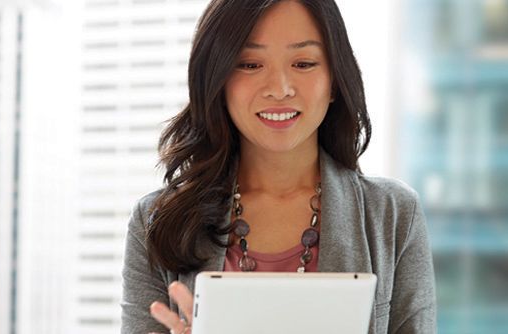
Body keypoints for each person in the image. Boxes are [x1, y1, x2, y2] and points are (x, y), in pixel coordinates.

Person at [121, 0, 436, 333]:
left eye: (303, 63)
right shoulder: (155, 221)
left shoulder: (394, 214)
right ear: (218, 80)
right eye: (250, 64)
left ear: (334, 81)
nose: (279, 89)